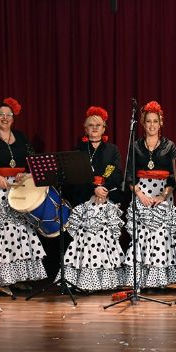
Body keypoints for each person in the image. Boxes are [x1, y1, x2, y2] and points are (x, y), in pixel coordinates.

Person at [0, 97, 48, 296]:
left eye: (8, 115)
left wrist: (27, 173)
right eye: (1, 115)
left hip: (19, 191)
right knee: (2, 234)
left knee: (23, 232)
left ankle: (17, 278)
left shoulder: (21, 138)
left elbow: (33, 161)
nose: (5, 118)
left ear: (13, 119)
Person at [60, 106, 125, 291]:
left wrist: (102, 188)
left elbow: (115, 172)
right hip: (83, 198)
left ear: (104, 128)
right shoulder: (78, 150)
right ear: (85, 128)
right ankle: (82, 282)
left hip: (106, 197)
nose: (95, 128)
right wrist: (92, 189)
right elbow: (75, 175)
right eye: (91, 125)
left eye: (98, 125)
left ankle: (107, 282)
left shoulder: (112, 149)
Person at [122, 100, 176, 288]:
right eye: (148, 121)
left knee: (161, 235)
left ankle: (160, 280)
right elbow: (129, 174)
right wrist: (140, 195)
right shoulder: (136, 145)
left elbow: (174, 176)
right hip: (141, 192)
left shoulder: (169, 146)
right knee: (142, 236)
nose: (152, 125)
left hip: (162, 194)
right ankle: (140, 279)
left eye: (155, 121)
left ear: (160, 123)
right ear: (143, 123)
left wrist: (162, 197)